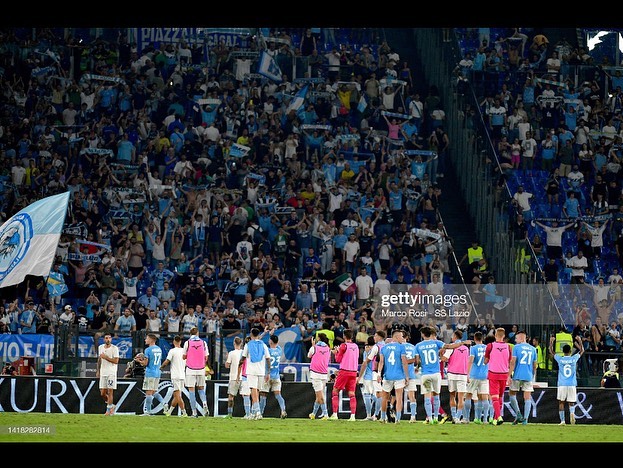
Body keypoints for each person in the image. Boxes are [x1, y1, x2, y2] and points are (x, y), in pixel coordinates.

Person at [412, 326, 468, 424]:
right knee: (436, 396)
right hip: (436, 374)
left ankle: (429, 418)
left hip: (425, 374)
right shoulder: (436, 343)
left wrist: (419, 363)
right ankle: (436, 418)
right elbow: (449, 346)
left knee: (427, 397)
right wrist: (461, 343)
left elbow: (416, 361)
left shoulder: (418, 346)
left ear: (422, 335)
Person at [376, 327, 409, 424]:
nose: (402, 338)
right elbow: (404, 362)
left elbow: (381, 362)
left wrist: (379, 374)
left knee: (384, 398)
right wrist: (407, 376)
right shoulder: (401, 347)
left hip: (387, 376)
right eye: (401, 336)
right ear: (396, 337)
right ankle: (398, 419)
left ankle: (382, 418)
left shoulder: (384, 348)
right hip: (399, 376)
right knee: (399, 398)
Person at [549, 334, 584, 424]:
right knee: (571, 402)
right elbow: (582, 351)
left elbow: (551, 351)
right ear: (570, 351)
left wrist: (551, 342)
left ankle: (562, 421)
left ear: (563, 351)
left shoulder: (560, 359)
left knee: (561, 402)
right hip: (572, 384)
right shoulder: (574, 359)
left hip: (562, 384)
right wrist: (579, 341)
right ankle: (572, 413)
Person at [238, 327, 271, 420]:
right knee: (257, 391)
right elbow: (268, 359)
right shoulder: (264, 345)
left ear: (251, 334)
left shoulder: (248, 345)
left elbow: (243, 357)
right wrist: (268, 372)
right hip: (261, 371)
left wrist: (240, 363)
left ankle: (258, 411)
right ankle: (254, 412)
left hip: (251, 371)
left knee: (253, 390)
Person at [329, 328, 359, 420]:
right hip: (353, 372)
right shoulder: (356, 346)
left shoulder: (343, 346)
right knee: (351, 393)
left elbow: (338, 360)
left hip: (344, 371)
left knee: (335, 391)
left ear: (344, 336)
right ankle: (353, 416)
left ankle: (335, 414)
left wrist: (336, 352)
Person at [508, 330, 537, 425]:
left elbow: (513, 362)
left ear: (521, 338)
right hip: (528, 375)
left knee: (512, 394)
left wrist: (509, 375)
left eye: (516, 338)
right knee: (527, 397)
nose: (515, 340)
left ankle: (518, 414)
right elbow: (534, 365)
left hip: (517, 375)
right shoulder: (533, 349)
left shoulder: (516, 347)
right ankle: (525, 419)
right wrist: (532, 376)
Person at [356, 329, 386, 420]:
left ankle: (369, 415)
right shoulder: (384, 346)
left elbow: (365, 363)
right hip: (381, 374)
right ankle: (376, 415)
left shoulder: (369, 351)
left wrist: (359, 377)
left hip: (370, 375)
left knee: (367, 395)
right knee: (378, 395)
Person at [484, 327, 511, 425]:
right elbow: (509, 360)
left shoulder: (490, 346)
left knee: (494, 397)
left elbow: (485, 361)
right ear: (504, 336)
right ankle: (495, 419)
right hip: (504, 374)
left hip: (493, 373)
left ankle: (499, 416)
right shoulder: (508, 347)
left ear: (495, 335)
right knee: (500, 397)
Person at [444, 329, 470, 424]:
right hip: (462, 374)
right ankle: (458, 418)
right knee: (461, 397)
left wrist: (441, 354)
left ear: (455, 336)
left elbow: (444, 359)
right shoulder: (466, 349)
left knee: (452, 396)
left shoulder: (451, 347)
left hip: (452, 374)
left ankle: (454, 416)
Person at [183, 326, 210, 417]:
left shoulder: (187, 343)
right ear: (198, 333)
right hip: (201, 369)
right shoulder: (203, 343)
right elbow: (206, 357)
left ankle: (194, 412)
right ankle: (204, 403)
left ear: (190, 334)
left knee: (191, 391)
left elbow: (184, 356)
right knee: (201, 389)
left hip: (190, 369)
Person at [259, 334, 287, 418]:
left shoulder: (267, 351)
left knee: (263, 395)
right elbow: (276, 344)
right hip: (276, 377)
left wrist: (266, 334)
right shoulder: (279, 350)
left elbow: (259, 343)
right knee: (278, 395)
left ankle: (260, 413)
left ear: (270, 341)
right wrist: (272, 335)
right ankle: (283, 410)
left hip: (267, 376)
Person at [464, 331, 490, 424]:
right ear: (482, 338)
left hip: (474, 375)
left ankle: (466, 418)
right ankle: (484, 419)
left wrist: (467, 374)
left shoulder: (473, 348)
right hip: (485, 375)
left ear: (474, 339)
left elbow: (471, 361)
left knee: (468, 395)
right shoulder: (487, 348)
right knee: (484, 397)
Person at [136, 333, 164, 415]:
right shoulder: (159, 349)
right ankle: (164, 403)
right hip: (157, 373)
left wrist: (139, 361)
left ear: (151, 340)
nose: (145, 340)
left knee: (148, 393)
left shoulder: (148, 350)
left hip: (150, 373)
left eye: (147, 338)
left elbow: (145, 363)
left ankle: (148, 412)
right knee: (153, 391)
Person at [160, 334, 188, 417]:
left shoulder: (172, 351)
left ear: (174, 342)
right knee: (176, 395)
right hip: (182, 375)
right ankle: (169, 412)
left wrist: (161, 367)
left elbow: (167, 361)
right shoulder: (184, 351)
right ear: (180, 342)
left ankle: (184, 412)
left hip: (175, 376)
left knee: (177, 395)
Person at [308, 332, 331, 420]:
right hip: (324, 374)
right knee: (319, 395)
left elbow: (309, 356)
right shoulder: (328, 348)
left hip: (315, 374)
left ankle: (326, 414)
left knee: (320, 396)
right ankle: (313, 414)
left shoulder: (314, 348)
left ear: (318, 339)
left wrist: (313, 346)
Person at [96, 332, 120, 416]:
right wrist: (98, 370)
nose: (108, 339)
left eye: (109, 338)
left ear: (111, 339)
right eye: (106, 338)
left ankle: (108, 410)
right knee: (102, 393)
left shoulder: (114, 348)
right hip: (103, 372)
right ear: (104, 339)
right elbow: (99, 359)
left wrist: (106, 357)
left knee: (110, 392)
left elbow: (116, 361)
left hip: (111, 372)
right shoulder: (100, 347)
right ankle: (111, 405)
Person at [224, 336, 244, 418]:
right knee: (246, 396)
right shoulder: (244, 353)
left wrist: (227, 358)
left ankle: (229, 414)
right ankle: (249, 412)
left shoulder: (231, 353)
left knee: (231, 396)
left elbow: (227, 366)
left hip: (233, 377)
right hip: (244, 377)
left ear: (234, 343)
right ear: (241, 343)